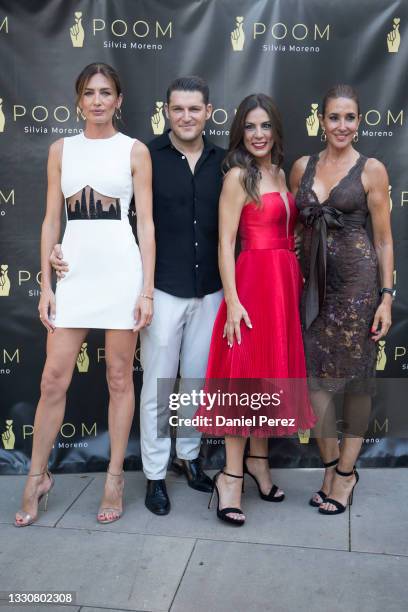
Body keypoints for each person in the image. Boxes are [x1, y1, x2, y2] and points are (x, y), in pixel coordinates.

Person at [50, 76, 225, 516]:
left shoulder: (225, 162)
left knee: (194, 383)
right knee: (157, 388)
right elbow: (132, 225)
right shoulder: (146, 155)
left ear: (208, 112)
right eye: (178, 108)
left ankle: (188, 457)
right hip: (160, 286)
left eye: (195, 108)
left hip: (211, 290)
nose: (186, 116)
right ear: (167, 110)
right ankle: (153, 473)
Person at [14, 62, 155, 527]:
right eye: (89, 92)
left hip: (120, 272)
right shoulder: (61, 150)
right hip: (73, 272)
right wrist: (45, 283)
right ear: (78, 100)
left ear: (119, 100)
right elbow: (51, 220)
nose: (97, 100)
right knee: (53, 379)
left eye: (106, 92)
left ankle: (114, 476)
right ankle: (36, 475)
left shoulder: (134, 151)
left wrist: (146, 290)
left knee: (119, 378)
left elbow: (146, 226)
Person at [194, 94, 317, 526]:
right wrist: (232, 301)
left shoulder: (281, 173)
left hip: (283, 284)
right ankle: (230, 476)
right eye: (250, 127)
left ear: (275, 131)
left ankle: (259, 463)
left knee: (270, 371)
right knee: (244, 373)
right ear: (240, 133)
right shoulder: (237, 178)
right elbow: (225, 244)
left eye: (265, 126)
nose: (259, 134)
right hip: (251, 283)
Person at [291, 84, 393, 515]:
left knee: (356, 382)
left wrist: (387, 298)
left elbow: (385, 240)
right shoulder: (301, 167)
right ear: (322, 119)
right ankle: (331, 464)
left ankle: (346, 475)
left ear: (359, 121)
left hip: (357, 288)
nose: (342, 126)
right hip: (313, 289)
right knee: (314, 384)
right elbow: (297, 227)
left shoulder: (372, 170)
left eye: (350, 118)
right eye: (334, 117)